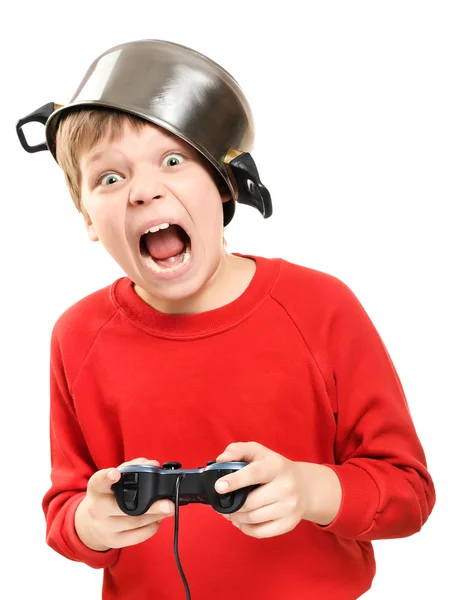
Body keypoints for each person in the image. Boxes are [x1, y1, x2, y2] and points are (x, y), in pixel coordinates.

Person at [16, 40, 435, 600]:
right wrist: (92, 525)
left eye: (172, 160)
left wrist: (309, 489)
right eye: (109, 178)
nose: (143, 191)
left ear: (224, 183)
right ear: (88, 218)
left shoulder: (321, 308)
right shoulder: (77, 335)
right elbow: (65, 511)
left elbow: (408, 496)